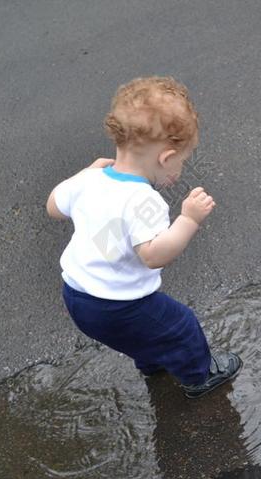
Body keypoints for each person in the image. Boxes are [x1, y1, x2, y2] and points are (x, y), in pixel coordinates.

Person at [46, 75, 241, 399]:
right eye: (182, 160)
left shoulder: (91, 178)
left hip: (77, 294)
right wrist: (189, 219)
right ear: (165, 158)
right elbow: (153, 255)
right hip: (116, 305)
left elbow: (53, 207)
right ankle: (200, 376)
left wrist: (82, 174)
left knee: (144, 331)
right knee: (180, 326)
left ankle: (152, 361)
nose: (181, 167)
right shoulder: (143, 200)